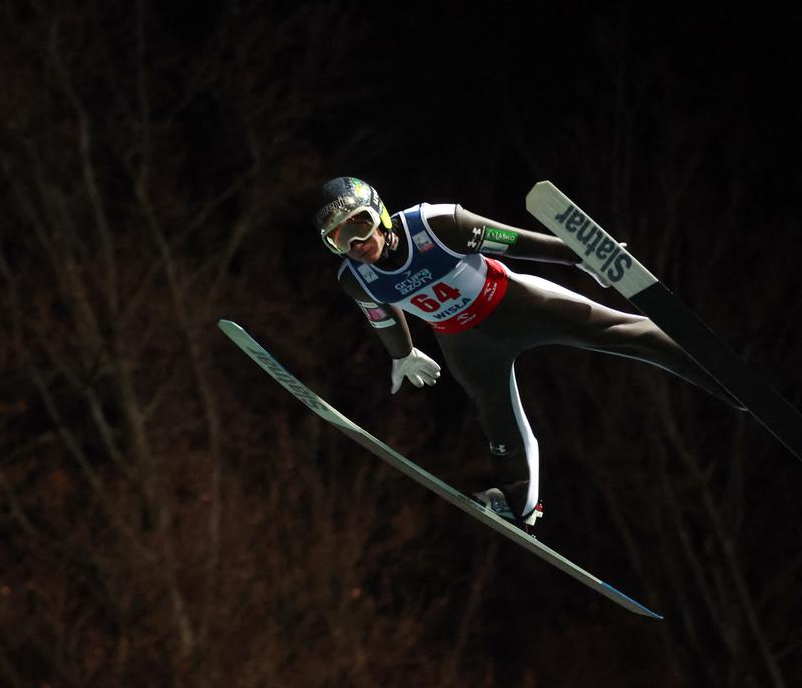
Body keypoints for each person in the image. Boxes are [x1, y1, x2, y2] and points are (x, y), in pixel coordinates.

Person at [314, 176, 741, 535]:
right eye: (339, 237)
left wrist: (578, 256)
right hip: (465, 342)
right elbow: (381, 316)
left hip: (516, 305)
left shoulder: (437, 224)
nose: (356, 242)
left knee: (618, 332)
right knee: (495, 415)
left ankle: (717, 372)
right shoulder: (355, 278)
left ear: (381, 213)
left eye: (360, 224)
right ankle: (518, 498)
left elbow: (513, 241)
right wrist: (402, 354)